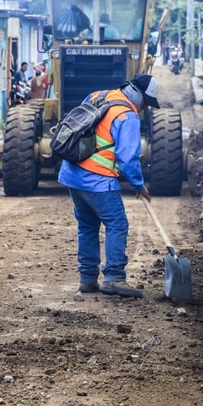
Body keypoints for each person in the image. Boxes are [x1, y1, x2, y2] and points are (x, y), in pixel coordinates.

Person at [57, 74, 160, 298]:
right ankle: (114, 277)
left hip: (72, 175)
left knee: (87, 225)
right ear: (139, 97)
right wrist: (139, 185)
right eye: (146, 103)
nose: (145, 108)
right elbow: (127, 158)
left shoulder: (98, 95)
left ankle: (87, 278)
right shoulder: (128, 115)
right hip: (98, 179)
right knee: (117, 223)